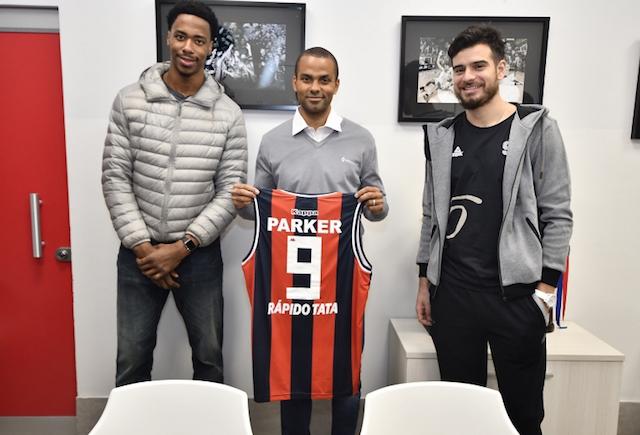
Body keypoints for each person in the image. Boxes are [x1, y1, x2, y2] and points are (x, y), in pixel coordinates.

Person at [415, 26, 572, 435]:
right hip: (453, 299)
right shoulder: (441, 136)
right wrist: (423, 282)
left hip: (516, 299)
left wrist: (545, 293)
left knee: (522, 417)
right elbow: (431, 214)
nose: (468, 76)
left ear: (502, 68)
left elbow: (558, 213)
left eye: (478, 65)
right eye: (459, 68)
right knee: (462, 415)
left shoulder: (536, 128)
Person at [232, 47, 387, 435]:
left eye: (323, 79)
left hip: (342, 274)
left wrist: (377, 204)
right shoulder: (272, 142)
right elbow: (260, 215)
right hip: (292, 279)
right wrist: (242, 206)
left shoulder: (361, 139)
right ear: (294, 82)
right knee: (294, 367)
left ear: (336, 84)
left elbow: (376, 207)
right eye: (307, 79)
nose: (314, 87)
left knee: (346, 366)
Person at [101, 0, 247, 387]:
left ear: (209, 47)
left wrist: (182, 247)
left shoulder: (228, 113)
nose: (188, 47)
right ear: (168, 37)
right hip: (138, 256)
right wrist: (144, 249)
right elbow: (115, 176)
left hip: (197, 256)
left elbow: (230, 190)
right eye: (181, 36)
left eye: (198, 40)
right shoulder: (129, 99)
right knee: (131, 360)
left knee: (209, 358)